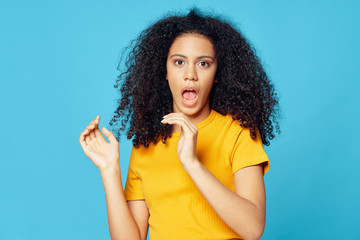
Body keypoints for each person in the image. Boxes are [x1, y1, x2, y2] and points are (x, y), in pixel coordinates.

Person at [79, 8, 279, 240]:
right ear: (163, 70)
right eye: (179, 62)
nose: (190, 75)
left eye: (203, 63)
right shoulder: (145, 146)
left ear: (217, 73)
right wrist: (109, 170)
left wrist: (192, 163)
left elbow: (253, 228)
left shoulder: (238, 133)